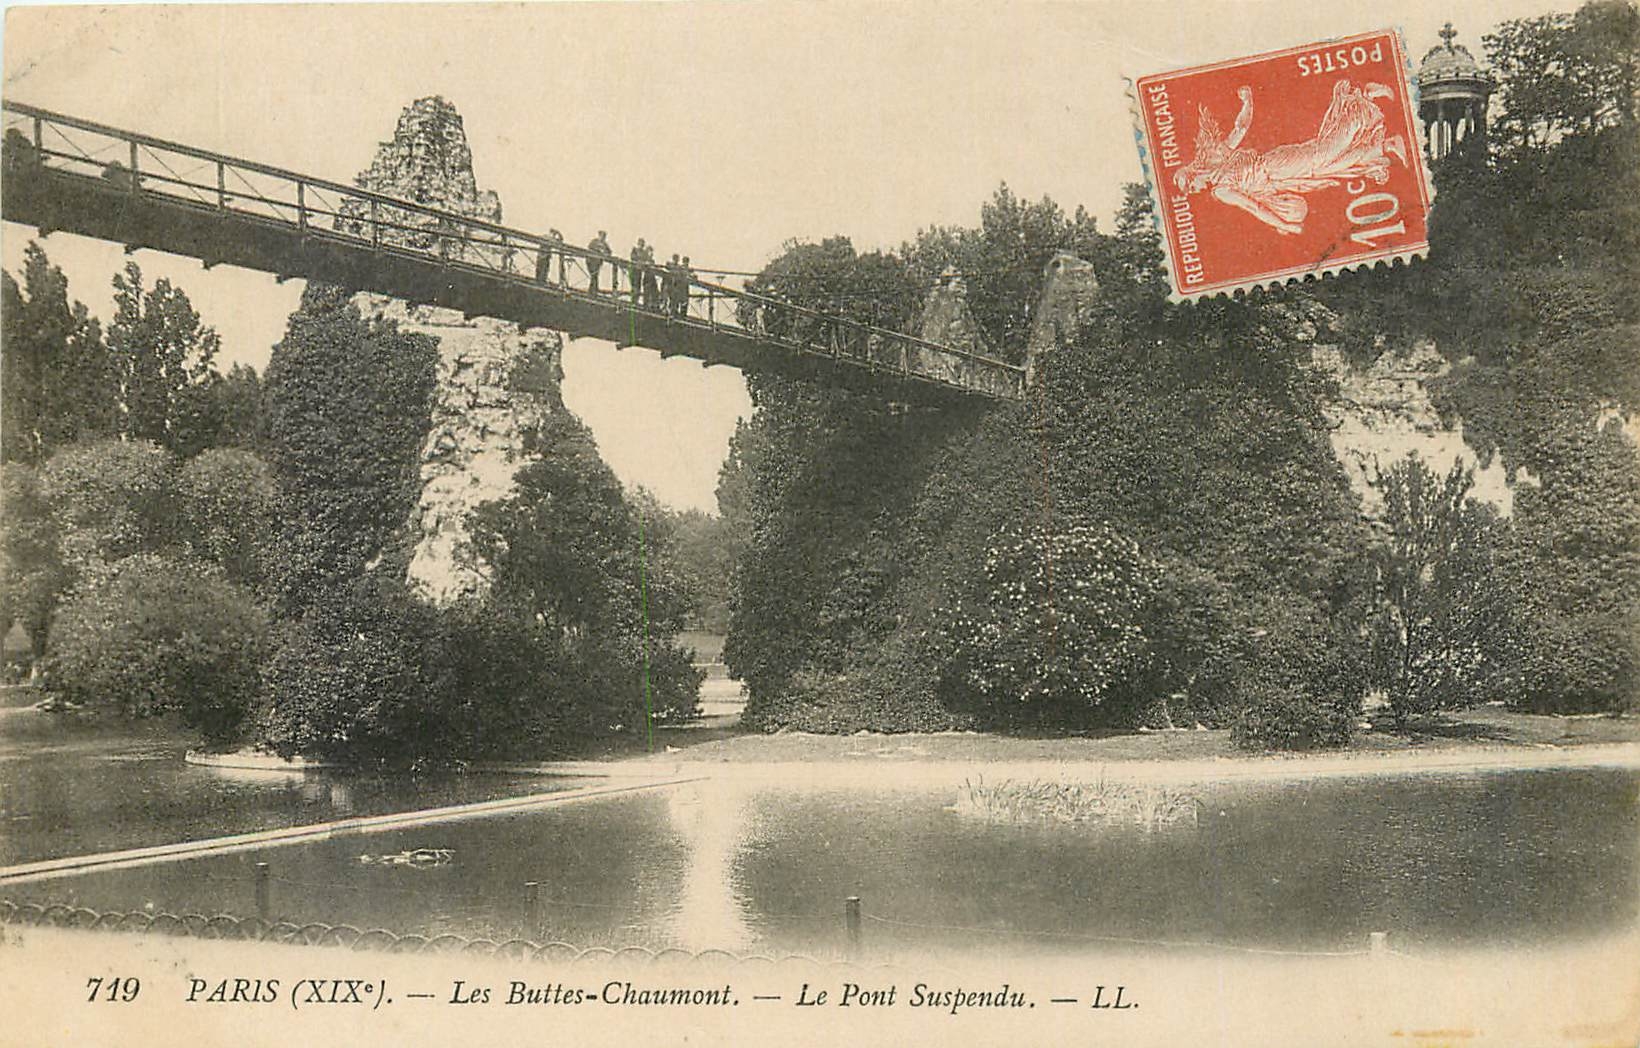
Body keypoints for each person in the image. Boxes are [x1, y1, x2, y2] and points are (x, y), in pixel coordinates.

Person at [1172, 81, 1408, 236]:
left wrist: (1248, 102)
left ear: (1193, 173)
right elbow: (1255, 204)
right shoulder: (1219, 186)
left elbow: (1240, 129)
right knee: (1332, 166)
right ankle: (1385, 145)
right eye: (1191, 191)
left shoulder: (1219, 170)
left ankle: (1364, 99)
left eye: (1191, 185)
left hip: (1275, 166)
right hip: (1281, 177)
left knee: (1325, 153)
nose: (1195, 190)